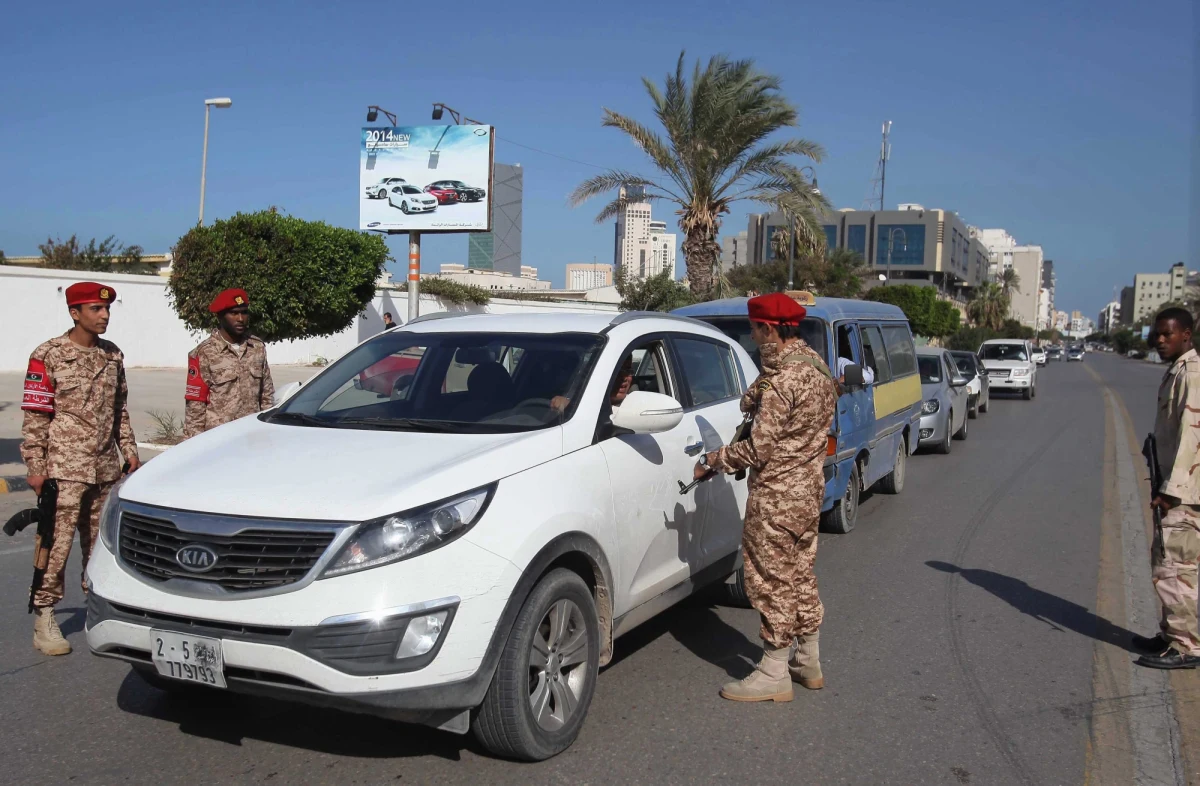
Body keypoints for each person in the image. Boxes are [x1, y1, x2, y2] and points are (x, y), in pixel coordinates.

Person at [694, 292, 837, 701]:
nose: (753, 338)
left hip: (776, 498)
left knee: (770, 580)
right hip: (808, 493)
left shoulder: (780, 383)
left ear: (769, 329)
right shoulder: (817, 368)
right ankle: (808, 659)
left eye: (756, 330)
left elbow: (758, 450)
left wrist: (714, 459)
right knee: (800, 574)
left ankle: (774, 670)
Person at [20, 282, 140, 655]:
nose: (104, 315)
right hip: (63, 468)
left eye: (107, 310)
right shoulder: (49, 354)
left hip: (104, 467)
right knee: (54, 547)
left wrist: (129, 450)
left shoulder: (112, 355)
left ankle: (98, 609)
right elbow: (36, 414)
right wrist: (36, 465)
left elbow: (119, 409)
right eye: (95, 309)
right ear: (75, 313)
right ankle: (45, 616)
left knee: (101, 547)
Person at [1134, 307, 1200, 669]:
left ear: (1186, 335)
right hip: (1174, 487)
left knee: (1177, 568)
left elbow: (1193, 437)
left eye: (1167, 335)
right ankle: (1170, 634)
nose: (1159, 340)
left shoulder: (1192, 373)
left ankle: (1186, 646)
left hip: (1183, 494)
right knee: (1165, 563)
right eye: (1157, 334)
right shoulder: (1176, 370)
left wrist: (1171, 490)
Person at [183, 288, 275, 439]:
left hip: (252, 435)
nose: (240, 318)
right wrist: (192, 445)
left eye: (244, 312)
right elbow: (195, 407)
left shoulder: (257, 348)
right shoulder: (204, 353)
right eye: (233, 313)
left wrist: (269, 431)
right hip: (219, 438)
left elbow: (267, 396)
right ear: (220, 316)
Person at [551, 355, 633, 414]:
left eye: (628, 371)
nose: (624, 378)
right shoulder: (583, 400)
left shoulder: (633, 407)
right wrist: (567, 405)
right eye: (617, 371)